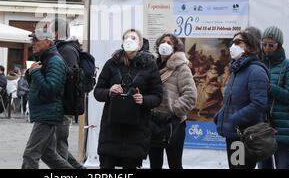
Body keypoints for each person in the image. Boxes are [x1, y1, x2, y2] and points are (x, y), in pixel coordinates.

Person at [94, 29, 163, 169]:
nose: (130, 40)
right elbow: (97, 92)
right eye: (127, 37)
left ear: (140, 43)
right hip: (111, 129)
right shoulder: (111, 63)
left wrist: (143, 99)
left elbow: (157, 96)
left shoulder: (150, 66)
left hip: (136, 131)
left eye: (134, 37)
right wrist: (109, 91)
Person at [214, 31, 269, 169]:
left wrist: (235, 118)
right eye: (232, 42)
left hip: (244, 135)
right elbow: (232, 100)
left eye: (238, 42)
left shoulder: (256, 71)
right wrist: (220, 115)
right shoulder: (237, 70)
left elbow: (258, 104)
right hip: (234, 134)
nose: (233, 45)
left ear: (250, 47)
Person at [21, 28, 73, 169]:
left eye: (36, 40)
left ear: (48, 42)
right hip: (45, 112)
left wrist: (36, 72)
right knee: (49, 155)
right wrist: (31, 73)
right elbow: (38, 86)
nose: (33, 42)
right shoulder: (45, 59)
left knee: (30, 155)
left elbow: (51, 90)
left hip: (48, 113)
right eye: (32, 39)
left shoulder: (55, 61)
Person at [149, 33, 197, 169]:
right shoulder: (153, 67)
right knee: (154, 164)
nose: (165, 44)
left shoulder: (182, 68)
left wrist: (174, 111)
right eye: (163, 42)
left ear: (175, 48)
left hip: (174, 124)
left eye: (169, 43)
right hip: (154, 123)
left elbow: (190, 96)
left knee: (175, 164)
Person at [258, 26, 289, 169]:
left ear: (279, 45)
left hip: (282, 129)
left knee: (283, 166)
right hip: (262, 128)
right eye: (264, 44)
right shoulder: (259, 64)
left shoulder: (288, 65)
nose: (267, 48)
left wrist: (270, 88)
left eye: (271, 45)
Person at [50, 18, 86, 169]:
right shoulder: (65, 48)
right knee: (57, 143)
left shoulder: (67, 50)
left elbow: (69, 79)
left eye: (52, 31)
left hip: (63, 103)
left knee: (59, 144)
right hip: (60, 103)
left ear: (57, 32)